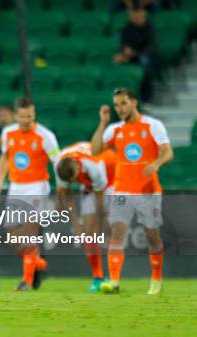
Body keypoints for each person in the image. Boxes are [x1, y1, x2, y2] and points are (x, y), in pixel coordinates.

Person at [91, 88, 173, 295]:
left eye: (123, 103)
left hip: (148, 190)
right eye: (117, 105)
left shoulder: (153, 125)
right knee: (117, 233)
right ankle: (114, 281)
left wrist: (156, 164)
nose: (119, 108)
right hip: (122, 190)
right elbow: (94, 150)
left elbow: (168, 152)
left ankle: (156, 278)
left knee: (151, 235)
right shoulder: (115, 129)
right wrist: (102, 122)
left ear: (134, 102)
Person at [0, 97, 60, 291]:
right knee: (13, 237)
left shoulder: (45, 136)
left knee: (28, 233)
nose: (27, 120)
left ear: (34, 114)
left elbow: (57, 162)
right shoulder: (8, 133)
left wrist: (61, 187)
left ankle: (27, 281)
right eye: (23, 117)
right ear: (15, 115)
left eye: (30, 116)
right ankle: (37, 262)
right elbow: (5, 158)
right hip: (16, 187)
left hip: (37, 187)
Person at [56, 142, 116, 292]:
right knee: (89, 234)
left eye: (74, 179)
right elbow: (65, 194)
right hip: (89, 184)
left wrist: (101, 223)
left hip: (112, 180)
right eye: (70, 182)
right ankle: (98, 278)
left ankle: (114, 277)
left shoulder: (93, 166)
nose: (72, 183)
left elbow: (100, 203)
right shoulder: (60, 165)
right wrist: (76, 223)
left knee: (108, 226)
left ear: (78, 167)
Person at [113, 6, 158, 102]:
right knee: (116, 61)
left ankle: (146, 97)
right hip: (130, 55)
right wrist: (125, 51)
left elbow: (151, 47)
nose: (137, 19)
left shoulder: (150, 28)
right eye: (134, 17)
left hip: (145, 55)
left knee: (144, 62)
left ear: (143, 17)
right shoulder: (126, 28)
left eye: (139, 17)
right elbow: (123, 44)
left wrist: (135, 53)